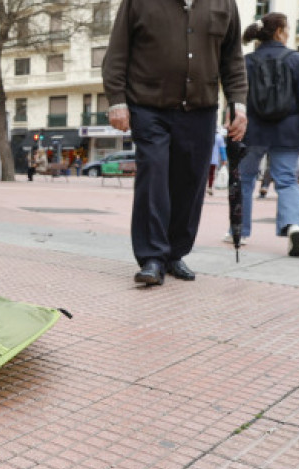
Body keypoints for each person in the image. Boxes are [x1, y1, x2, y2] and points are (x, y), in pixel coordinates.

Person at [102, 0, 249, 286]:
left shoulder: (224, 3)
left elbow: (233, 58)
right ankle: (152, 257)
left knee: (190, 183)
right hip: (148, 106)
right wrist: (116, 99)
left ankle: (174, 253)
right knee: (154, 175)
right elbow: (118, 51)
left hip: (201, 109)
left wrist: (238, 102)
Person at [220, 14, 299, 257]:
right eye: (287, 27)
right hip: (288, 132)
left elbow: (236, 97)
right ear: (279, 30)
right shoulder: (298, 61)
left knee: (245, 179)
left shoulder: (246, 62)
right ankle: (294, 227)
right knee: (287, 180)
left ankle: (239, 230)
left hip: (252, 131)